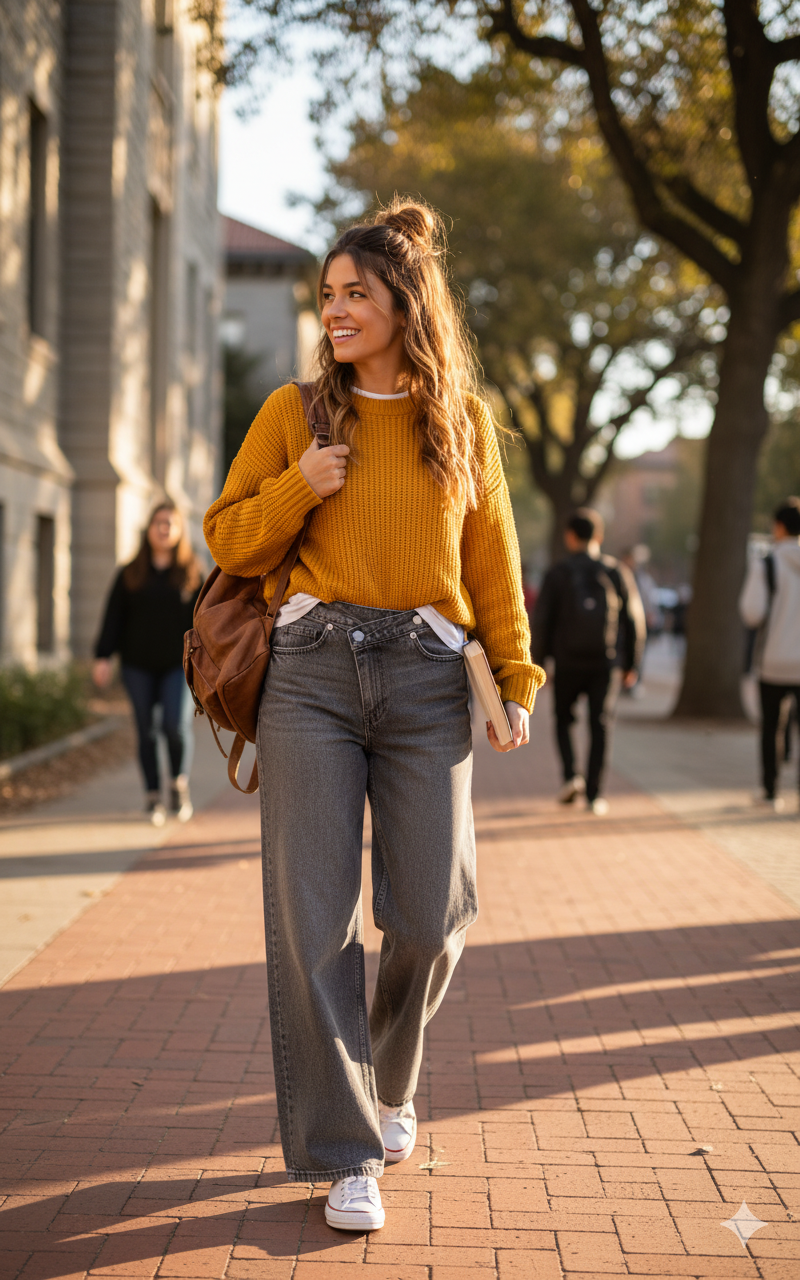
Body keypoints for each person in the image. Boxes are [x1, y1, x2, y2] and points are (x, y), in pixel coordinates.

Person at [203, 200, 540, 1232]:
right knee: (313, 922)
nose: (336, 310)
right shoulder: (292, 411)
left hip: (430, 677)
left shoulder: (460, 422)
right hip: (308, 670)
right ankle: (349, 1150)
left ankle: (390, 1084)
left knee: (432, 913)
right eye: (327, 296)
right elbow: (228, 537)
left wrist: (515, 677)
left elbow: (491, 559)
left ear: (405, 302)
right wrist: (299, 488)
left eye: (355, 293)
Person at [94, 500, 203, 825]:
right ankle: (153, 797)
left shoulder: (192, 572)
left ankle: (178, 784)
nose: (164, 528)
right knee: (146, 730)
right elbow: (113, 617)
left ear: (180, 530)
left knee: (175, 726)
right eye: (159, 522)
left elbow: (207, 620)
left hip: (177, 666)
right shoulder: (130, 572)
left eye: (170, 523)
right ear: (149, 529)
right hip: (137, 665)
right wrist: (102, 656)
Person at [532, 508, 646, 814]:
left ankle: (571, 776)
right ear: (599, 536)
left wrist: (539, 664)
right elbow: (635, 620)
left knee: (564, 720)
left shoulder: (558, 573)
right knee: (601, 725)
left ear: (570, 536)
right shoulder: (615, 571)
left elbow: (541, 621)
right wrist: (632, 664)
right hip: (605, 663)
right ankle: (595, 795)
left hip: (567, 661)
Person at [739, 496, 800, 811]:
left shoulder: (767, 563)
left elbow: (752, 612)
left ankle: (770, 791)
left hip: (774, 659)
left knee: (771, 728)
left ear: (778, 527)